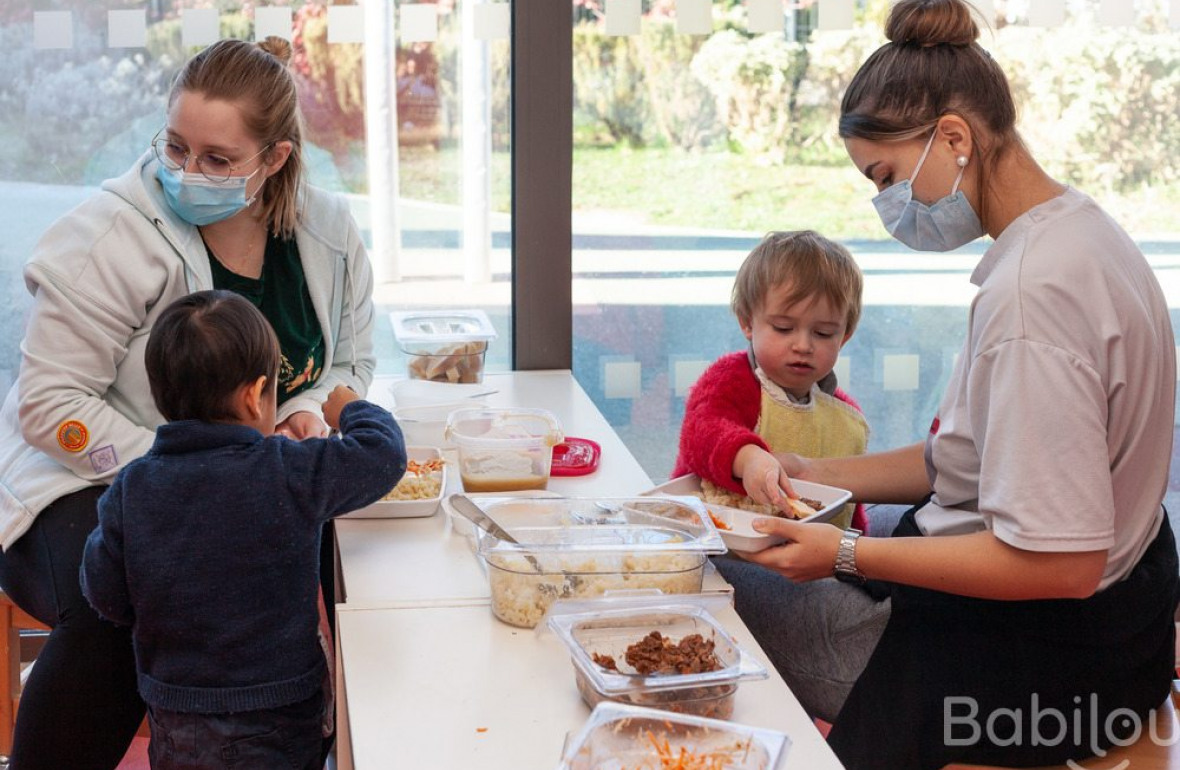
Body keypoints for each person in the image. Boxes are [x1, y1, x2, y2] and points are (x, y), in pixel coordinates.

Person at [713, 1, 1179, 767]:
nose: (890, 204)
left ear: (954, 138)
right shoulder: (1085, 234)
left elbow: (1059, 562)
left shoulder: (1034, 296)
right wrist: (810, 472)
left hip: (1030, 669)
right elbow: (956, 462)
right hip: (1121, 633)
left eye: (887, 177)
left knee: (711, 570)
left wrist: (844, 555)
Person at [0, 37, 376, 768]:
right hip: (82, 481)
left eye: (216, 159)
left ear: (276, 159)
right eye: (174, 147)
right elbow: (47, 405)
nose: (184, 172)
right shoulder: (110, 236)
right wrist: (195, 469)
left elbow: (352, 362)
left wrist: (305, 408)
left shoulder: (327, 233)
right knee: (131, 595)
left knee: (340, 560)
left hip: (244, 477)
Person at [80, 290, 405, 770]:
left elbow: (103, 590)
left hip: (177, 715)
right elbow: (383, 455)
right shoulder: (285, 470)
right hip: (280, 711)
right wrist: (347, 407)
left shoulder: (134, 486)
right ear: (255, 396)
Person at [672, 230, 869, 531]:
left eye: (823, 333)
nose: (803, 345)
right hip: (722, 548)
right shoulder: (732, 380)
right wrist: (748, 458)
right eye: (783, 328)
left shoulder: (846, 416)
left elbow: (849, 506)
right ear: (747, 322)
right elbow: (701, 433)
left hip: (813, 556)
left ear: (845, 336)